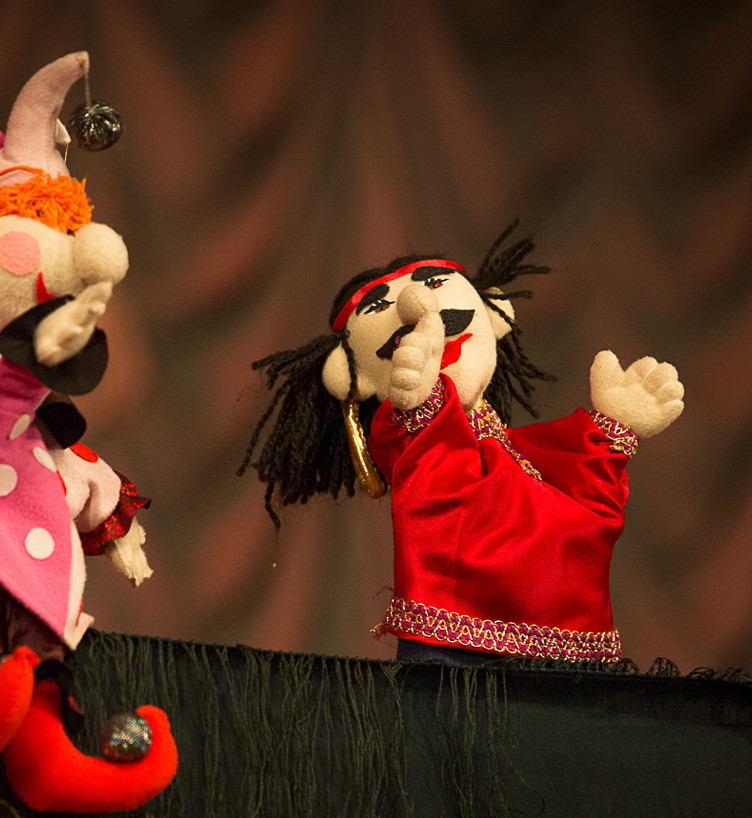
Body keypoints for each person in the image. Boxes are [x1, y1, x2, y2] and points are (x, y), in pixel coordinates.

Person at [240, 223, 684, 664]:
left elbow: (585, 514)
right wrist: (420, 398)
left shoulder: (521, 455)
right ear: (351, 376)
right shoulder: (417, 442)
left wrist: (607, 433)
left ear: (495, 315)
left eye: (435, 284)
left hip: (570, 660)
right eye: (381, 308)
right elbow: (427, 455)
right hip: (456, 655)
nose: (417, 305)